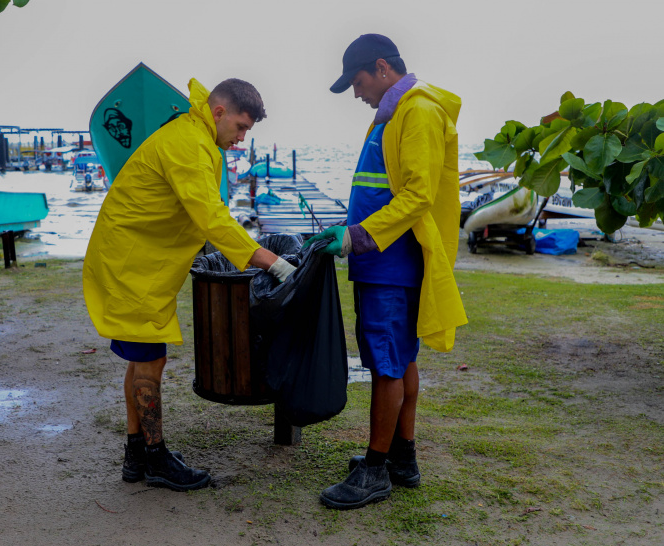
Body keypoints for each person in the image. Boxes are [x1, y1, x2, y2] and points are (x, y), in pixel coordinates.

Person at [83, 77, 297, 492]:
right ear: (218, 112)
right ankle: (156, 457)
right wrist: (274, 263)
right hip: (132, 265)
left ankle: (137, 454)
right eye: (240, 127)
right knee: (150, 360)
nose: (241, 138)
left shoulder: (194, 135)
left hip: (139, 262)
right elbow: (213, 218)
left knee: (143, 358)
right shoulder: (188, 143)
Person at [304, 34, 468, 510]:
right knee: (401, 358)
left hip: (391, 263)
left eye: (357, 82)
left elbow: (416, 195)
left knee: (385, 364)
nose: (357, 94)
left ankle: (375, 470)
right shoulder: (396, 112)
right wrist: (350, 230)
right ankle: (402, 457)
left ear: (381, 68)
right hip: (383, 258)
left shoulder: (416, 111)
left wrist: (355, 236)